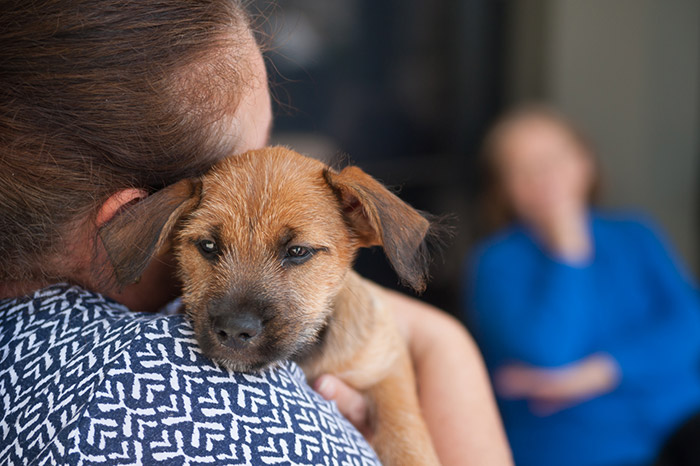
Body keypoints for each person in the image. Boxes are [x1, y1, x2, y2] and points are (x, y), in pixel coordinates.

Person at [0, 1, 512, 464]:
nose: (240, 319)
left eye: (295, 253)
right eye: (207, 245)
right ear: (140, 220)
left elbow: (383, 342)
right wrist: (444, 343)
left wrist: (438, 347)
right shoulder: (187, 411)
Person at [462, 104, 700, 466]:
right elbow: (548, 352)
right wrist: (568, 250)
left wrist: (595, 375)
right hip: (577, 445)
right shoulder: (494, 263)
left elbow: (690, 326)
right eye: (522, 169)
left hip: (677, 416)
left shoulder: (635, 234)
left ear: (585, 162)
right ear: (504, 189)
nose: (543, 177)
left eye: (553, 159)